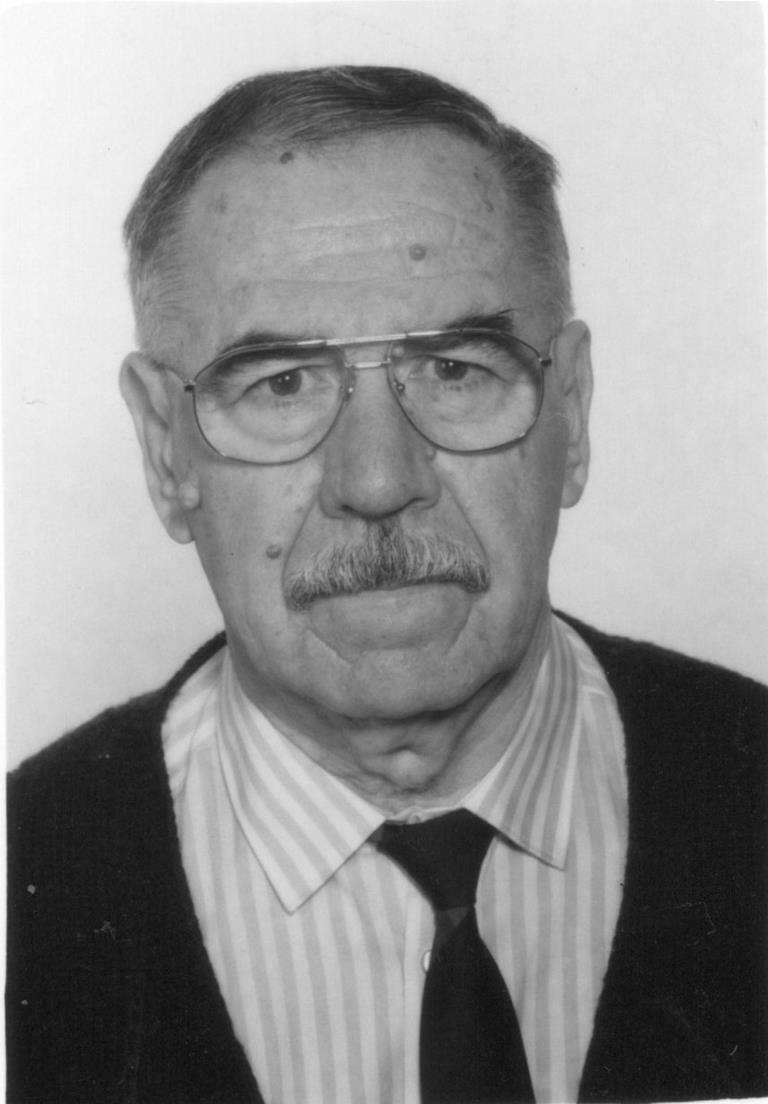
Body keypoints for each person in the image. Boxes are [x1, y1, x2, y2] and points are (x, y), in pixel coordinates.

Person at [6, 65, 766, 1104]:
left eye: (455, 369)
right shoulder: (25, 879)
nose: (377, 481)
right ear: (165, 449)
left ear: (575, 413)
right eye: (281, 384)